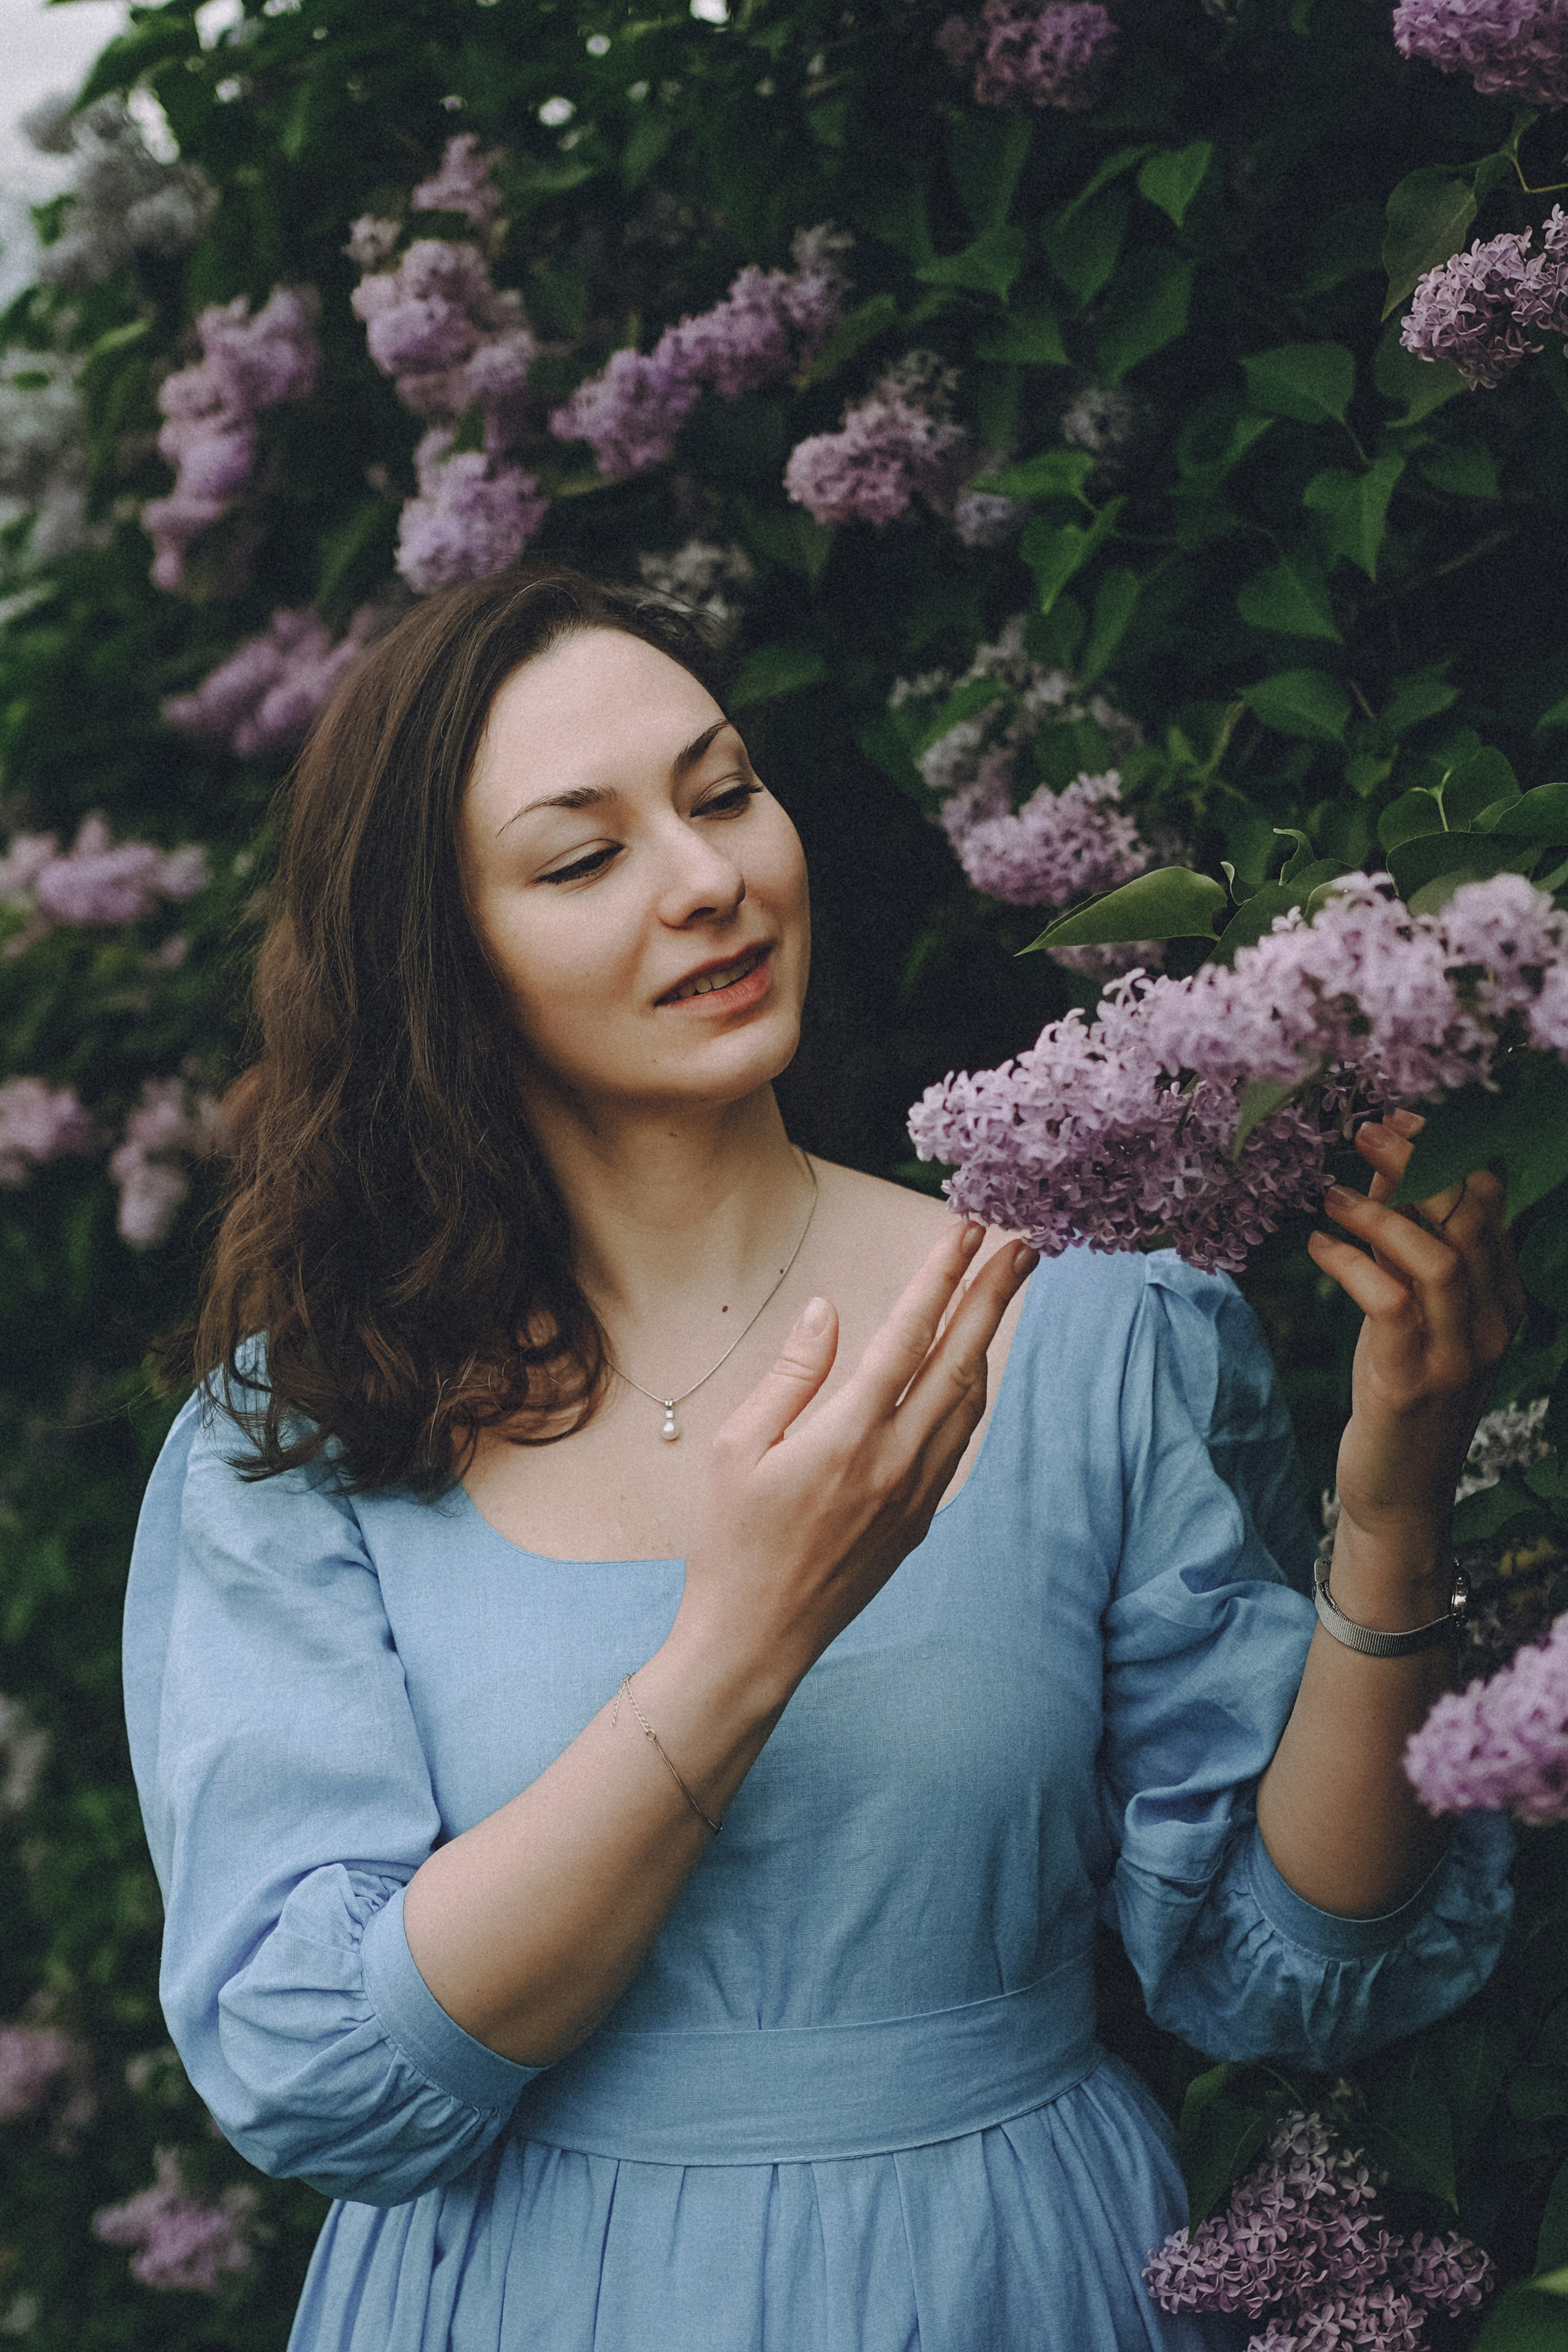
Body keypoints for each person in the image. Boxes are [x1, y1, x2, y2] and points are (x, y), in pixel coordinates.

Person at [124, 564, 1517, 2352]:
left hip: (1005, 2280)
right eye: (582, 857)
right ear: (443, 963)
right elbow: (328, 2075)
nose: (707, 880)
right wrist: (749, 1632)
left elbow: (1295, 1962)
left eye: (722, 794)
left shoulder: (1077, 1330)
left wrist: (1393, 1505)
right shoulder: (313, 1433)